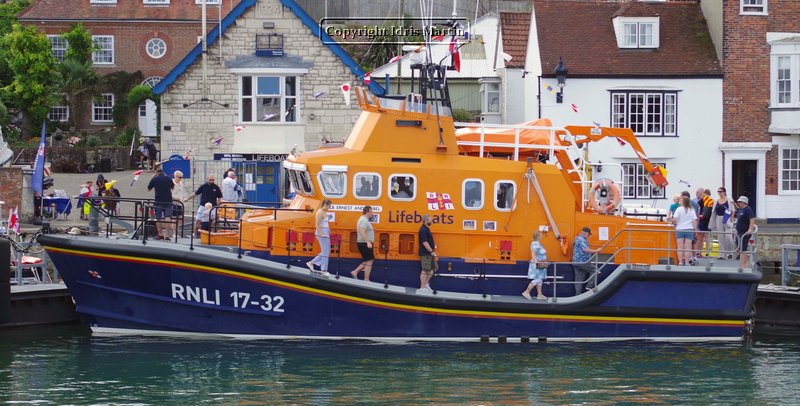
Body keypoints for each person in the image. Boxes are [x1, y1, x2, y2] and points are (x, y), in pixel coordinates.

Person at [147, 168, 174, 240]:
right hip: (168, 201)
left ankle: (160, 234)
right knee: (167, 217)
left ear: (156, 173)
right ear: (163, 172)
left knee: (158, 218)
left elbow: (149, 189)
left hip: (158, 201)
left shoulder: (154, 179)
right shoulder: (168, 178)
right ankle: (167, 235)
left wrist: (153, 178)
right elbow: (172, 188)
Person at [307, 199, 332, 277]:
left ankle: (312, 263)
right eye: (329, 206)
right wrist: (322, 234)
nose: (329, 207)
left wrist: (328, 229)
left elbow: (324, 223)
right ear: (326, 205)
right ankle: (323, 270)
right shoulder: (320, 212)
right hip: (322, 232)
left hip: (325, 231)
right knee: (325, 252)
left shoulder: (324, 212)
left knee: (326, 251)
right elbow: (317, 225)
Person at [709, 187, 737, 259]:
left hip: (727, 218)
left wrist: (732, 218)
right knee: (720, 236)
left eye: (721, 191)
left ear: (724, 192)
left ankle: (730, 252)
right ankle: (721, 254)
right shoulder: (716, 201)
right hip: (719, 218)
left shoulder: (729, 200)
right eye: (718, 192)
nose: (719, 193)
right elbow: (714, 211)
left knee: (728, 237)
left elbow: (733, 210)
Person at [572, 226, 599, 295]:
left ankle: (578, 294)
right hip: (582, 262)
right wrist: (596, 251)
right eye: (589, 235)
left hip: (575, 261)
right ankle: (590, 286)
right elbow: (585, 249)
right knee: (595, 270)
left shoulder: (577, 238)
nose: (589, 236)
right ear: (585, 233)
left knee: (579, 279)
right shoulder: (581, 240)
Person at [672, 196, 698, 266]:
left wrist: (673, 222)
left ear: (683, 202)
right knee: (688, 247)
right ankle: (687, 262)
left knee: (679, 247)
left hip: (679, 229)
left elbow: (675, 219)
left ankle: (680, 262)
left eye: (681, 200)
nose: (679, 201)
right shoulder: (691, 210)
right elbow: (694, 221)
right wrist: (695, 230)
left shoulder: (678, 209)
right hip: (689, 229)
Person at [351, 205, 375, 281]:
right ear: (367, 212)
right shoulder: (364, 220)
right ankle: (366, 279)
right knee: (370, 261)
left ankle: (355, 272)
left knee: (367, 260)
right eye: (371, 212)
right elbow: (362, 231)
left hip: (363, 243)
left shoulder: (363, 219)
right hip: (364, 243)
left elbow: (364, 230)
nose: (372, 213)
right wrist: (368, 242)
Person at [522, 231, 547, 300]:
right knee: (538, 278)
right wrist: (536, 263)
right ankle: (526, 292)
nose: (542, 236)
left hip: (542, 263)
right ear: (538, 236)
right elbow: (533, 254)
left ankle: (539, 294)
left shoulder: (539, 243)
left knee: (540, 279)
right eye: (540, 235)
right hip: (538, 263)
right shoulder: (535, 243)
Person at [735, 196, 756, 268]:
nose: (739, 203)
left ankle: (744, 265)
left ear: (744, 202)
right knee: (740, 248)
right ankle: (744, 263)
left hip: (744, 232)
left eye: (740, 202)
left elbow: (752, 219)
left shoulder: (748, 210)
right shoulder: (741, 209)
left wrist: (750, 229)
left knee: (743, 249)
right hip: (739, 232)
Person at [418, 214, 437, 291]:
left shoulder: (427, 229)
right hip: (425, 253)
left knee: (433, 268)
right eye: (430, 219)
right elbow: (425, 242)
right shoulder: (423, 230)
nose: (431, 220)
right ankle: (422, 287)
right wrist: (431, 251)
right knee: (425, 270)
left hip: (428, 254)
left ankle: (426, 284)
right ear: (426, 221)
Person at [694, 188, 714, 257]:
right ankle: (698, 252)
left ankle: (708, 252)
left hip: (707, 220)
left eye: (698, 192)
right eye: (696, 192)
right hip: (701, 221)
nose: (696, 194)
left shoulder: (709, 200)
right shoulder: (696, 201)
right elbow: (696, 211)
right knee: (700, 236)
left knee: (707, 236)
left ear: (702, 193)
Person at [172, 171, 187, 235]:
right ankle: (174, 233)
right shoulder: (171, 183)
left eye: (181, 177)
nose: (181, 179)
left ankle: (176, 231)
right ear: (175, 176)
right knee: (175, 218)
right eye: (180, 177)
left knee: (180, 218)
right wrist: (177, 198)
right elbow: (169, 194)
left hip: (180, 203)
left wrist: (183, 198)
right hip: (174, 203)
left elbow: (182, 193)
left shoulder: (181, 184)